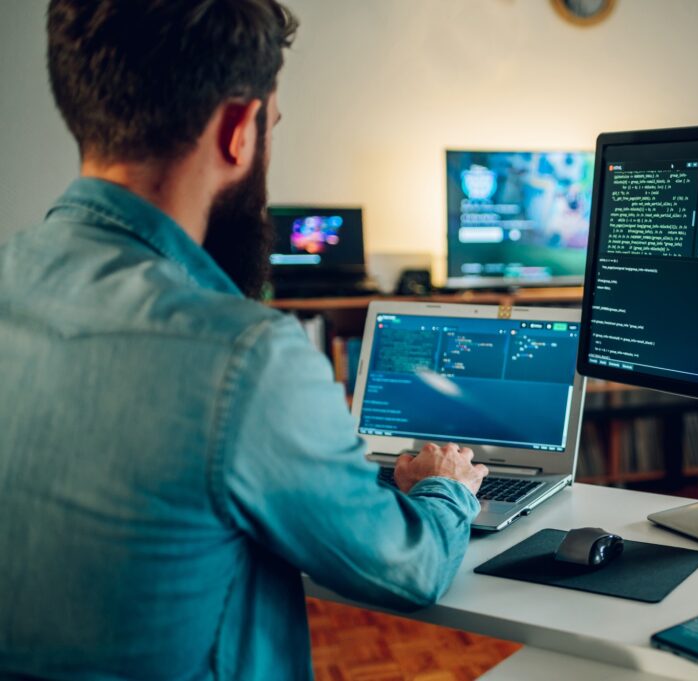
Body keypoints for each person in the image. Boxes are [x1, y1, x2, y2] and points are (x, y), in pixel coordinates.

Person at [0, 2, 488, 679]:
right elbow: (409, 569)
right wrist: (444, 487)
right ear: (238, 129)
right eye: (272, 125)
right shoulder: (246, 355)